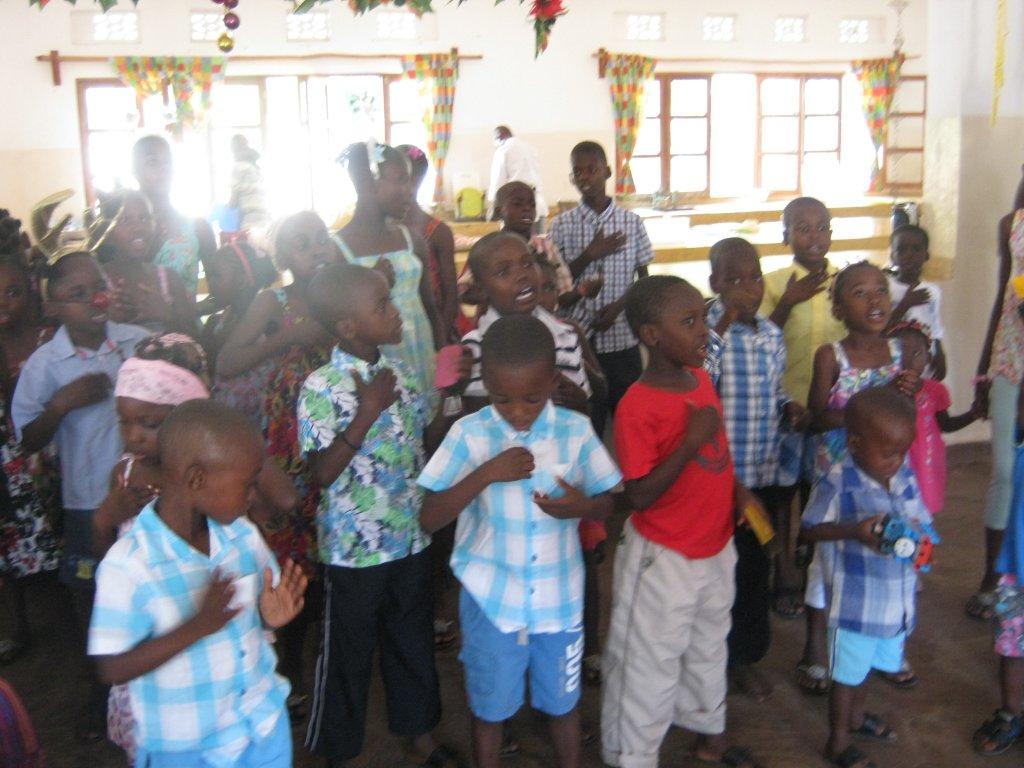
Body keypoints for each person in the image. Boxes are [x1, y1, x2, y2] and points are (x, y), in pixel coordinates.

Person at [419, 314, 621, 768]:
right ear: (486, 384)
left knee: (563, 705)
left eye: (531, 398)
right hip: (493, 601)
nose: (516, 412)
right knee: (489, 710)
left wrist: (584, 506)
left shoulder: (574, 430)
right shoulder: (469, 434)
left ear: (552, 381)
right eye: (500, 398)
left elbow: (609, 501)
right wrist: (486, 473)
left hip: (558, 601)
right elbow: (429, 518)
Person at [91, 332, 299, 761]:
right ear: (197, 479)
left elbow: (261, 609)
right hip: (188, 745)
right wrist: (197, 625)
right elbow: (111, 666)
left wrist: (272, 613)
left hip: (260, 723)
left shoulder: (242, 535)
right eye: (245, 486)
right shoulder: (128, 565)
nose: (252, 497)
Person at [299, 263, 466, 768]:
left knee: (411, 640)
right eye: (382, 306)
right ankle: (338, 749)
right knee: (346, 652)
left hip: (410, 538)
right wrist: (368, 409)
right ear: (347, 326)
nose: (396, 312)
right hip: (354, 552)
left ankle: (419, 733)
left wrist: (452, 395)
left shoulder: (403, 376)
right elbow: (321, 473)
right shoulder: (322, 386)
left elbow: (424, 445)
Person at [602, 275, 766, 768]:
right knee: (648, 660)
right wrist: (690, 441)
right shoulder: (637, 406)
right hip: (663, 558)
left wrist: (737, 491)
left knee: (708, 644)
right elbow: (639, 495)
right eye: (690, 321)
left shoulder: (700, 380)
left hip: (714, 545)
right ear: (652, 336)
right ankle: (633, 755)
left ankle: (709, 733)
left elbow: (717, 453)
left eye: (703, 317)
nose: (703, 330)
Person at [11, 251, 151, 741]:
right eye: (77, 294)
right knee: (91, 595)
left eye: (99, 285)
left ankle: (146, 686)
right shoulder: (47, 364)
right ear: (53, 308)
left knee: (145, 586)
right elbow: (27, 437)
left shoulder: (135, 341)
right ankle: (102, 693)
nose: (95, 298)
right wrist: (60, 405)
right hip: (86, 503)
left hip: (144, 495)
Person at [800, 261, 917, 695]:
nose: (874, 300)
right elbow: (816, 417)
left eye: (881, 290)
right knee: (827, 563)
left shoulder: (901, 353)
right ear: (838, 309)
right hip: (839, 475)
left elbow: (904, 418)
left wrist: (906, 396)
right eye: (860, 293)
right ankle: (815, 649)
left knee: (887, 552)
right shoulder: (831, 355)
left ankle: (886, 644)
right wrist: (867, 410)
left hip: (886, 476)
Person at [800, 386, 932, 768]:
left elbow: (920, 520)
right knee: (846, 674)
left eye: (903, 451)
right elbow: (809, 530)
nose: (897, 461)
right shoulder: (837, 481)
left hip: (894, 602)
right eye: (888, 452)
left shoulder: (903, 476)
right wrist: (853, 531)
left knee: (869, 666)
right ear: (855, 444)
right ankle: (837, 741)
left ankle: (856, 719)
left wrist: (923, 547)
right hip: (855, 605)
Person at [706, 237, 809, 701]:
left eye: (754, 277)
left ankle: (744, 657)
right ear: (715, 284)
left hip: (761, 475)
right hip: (719, 481)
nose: (748, 287)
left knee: (752, 570)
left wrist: (788, 407)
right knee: (716, 573)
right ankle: (711, 659)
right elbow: (697, 380)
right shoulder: (707, 331)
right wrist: (724, 321)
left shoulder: (770, 334)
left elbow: (775, 388)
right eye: (734, 279)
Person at [759, 196, 846, 625]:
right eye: (803, 228)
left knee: (818, 495)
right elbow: (759, 337)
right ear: (786, 235)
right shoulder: (774, 283)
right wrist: (787, 302)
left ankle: (810, 570)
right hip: (785, 409)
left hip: (828, 415)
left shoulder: (844, 283)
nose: (814, 237)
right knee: (780, 497)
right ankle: (782, 573)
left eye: (822, 227)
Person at [549, 141, 653, 436]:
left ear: (607, 172)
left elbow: (644, 279)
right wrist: (590, 254)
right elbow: (554, 284)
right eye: (577, 172)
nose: (584, 177)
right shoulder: (561, 225)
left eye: (592, 170)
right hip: (576, 338)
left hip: (621, 335)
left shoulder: (632, 223)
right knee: (585, 417)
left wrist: (619, 307)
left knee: (628, 414)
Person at [333, 142, 443, 402]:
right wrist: (372, 282)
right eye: (401, 180)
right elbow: (337, 324)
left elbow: (429, 306)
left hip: (422, 355)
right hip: (380, 369)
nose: (410, 191)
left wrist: (443, 358)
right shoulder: (338, 250)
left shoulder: (411, 240)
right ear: (368, 184)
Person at [459, 232, 598, 418]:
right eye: (503, 272)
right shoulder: (475, 347)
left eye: (527, 263)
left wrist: (580, 403)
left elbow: (581, 410)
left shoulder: (565, 336)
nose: (522, 275)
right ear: (481, 289)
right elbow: (476, 418)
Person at [0, 252, 59, 667]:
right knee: (8, 539)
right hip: (9, 459)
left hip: (55, 449)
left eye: (12, 292)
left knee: (65, 531)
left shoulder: (52, 335)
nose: (3, 303)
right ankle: (17, 625)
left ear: (31, 290)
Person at [971, 165, 1024, 621]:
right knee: (1004, 471)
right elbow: (1002, 295)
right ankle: (992, 575)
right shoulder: (1012, 225)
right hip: (1010, 357)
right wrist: (983, 368)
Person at [893, 322, 981, 517]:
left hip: (928, 461)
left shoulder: (935, 390)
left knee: (924, 508)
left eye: (917, 353)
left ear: (928, 357)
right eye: (900, 351)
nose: (908, 359)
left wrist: (973, 414)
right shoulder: (885, 389)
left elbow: (946, 425)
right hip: (898, 461)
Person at [96, 190, 197, 336]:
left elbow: (196, 338)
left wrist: (167, 315)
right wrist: (112, 321)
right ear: (107, 231)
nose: (138, 228)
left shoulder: (169, 279)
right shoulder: (97, 282)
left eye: (144, 218)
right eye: (125, 220)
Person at [201, 241, 278, 427]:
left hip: (261, 414)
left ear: (242, 280)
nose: (209, 283)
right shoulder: (218, 321)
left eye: (216, 276)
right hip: (228, 414)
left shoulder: (267, 319)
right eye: (208, 276)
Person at [132, 135, 216, 298]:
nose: (164, 168)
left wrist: (188, 310)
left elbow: (219, 294)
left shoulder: (198, 228)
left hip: (185, 316)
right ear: (134, 170)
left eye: (168, 162)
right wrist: (151, 251)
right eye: (152, 161)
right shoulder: (124, 231)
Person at [400, 144, 458, 342]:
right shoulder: (380, 232)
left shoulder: (438, 232)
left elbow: (450, 297)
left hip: (431, 330)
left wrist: (440, 340)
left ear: (416, 180)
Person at [885, 224, 947, 380]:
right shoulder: (886, 288)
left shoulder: (932, 290)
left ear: (926, 255)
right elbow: (881, 326)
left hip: (923, 357)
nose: (909, 255)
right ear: (892, 256)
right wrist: (906, 303)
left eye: (916, 249)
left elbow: (935, 325)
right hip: (892, 357)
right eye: (902, 250)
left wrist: (940, 353)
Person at [487, 126, 547, 224]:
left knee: (514, 235)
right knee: (536, 234)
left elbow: (497, 183)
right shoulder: (530, 148)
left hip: (516, 210)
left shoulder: (503, 150)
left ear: (499, 137)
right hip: (537, 206)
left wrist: (493, 210)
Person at [228, 134, 270, 239]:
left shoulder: (237, 167)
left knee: (246, 249)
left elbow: (233, 202)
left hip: (249, 222)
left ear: (233, 149)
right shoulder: (255, 167)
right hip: (266, 220)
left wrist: (226, 208)